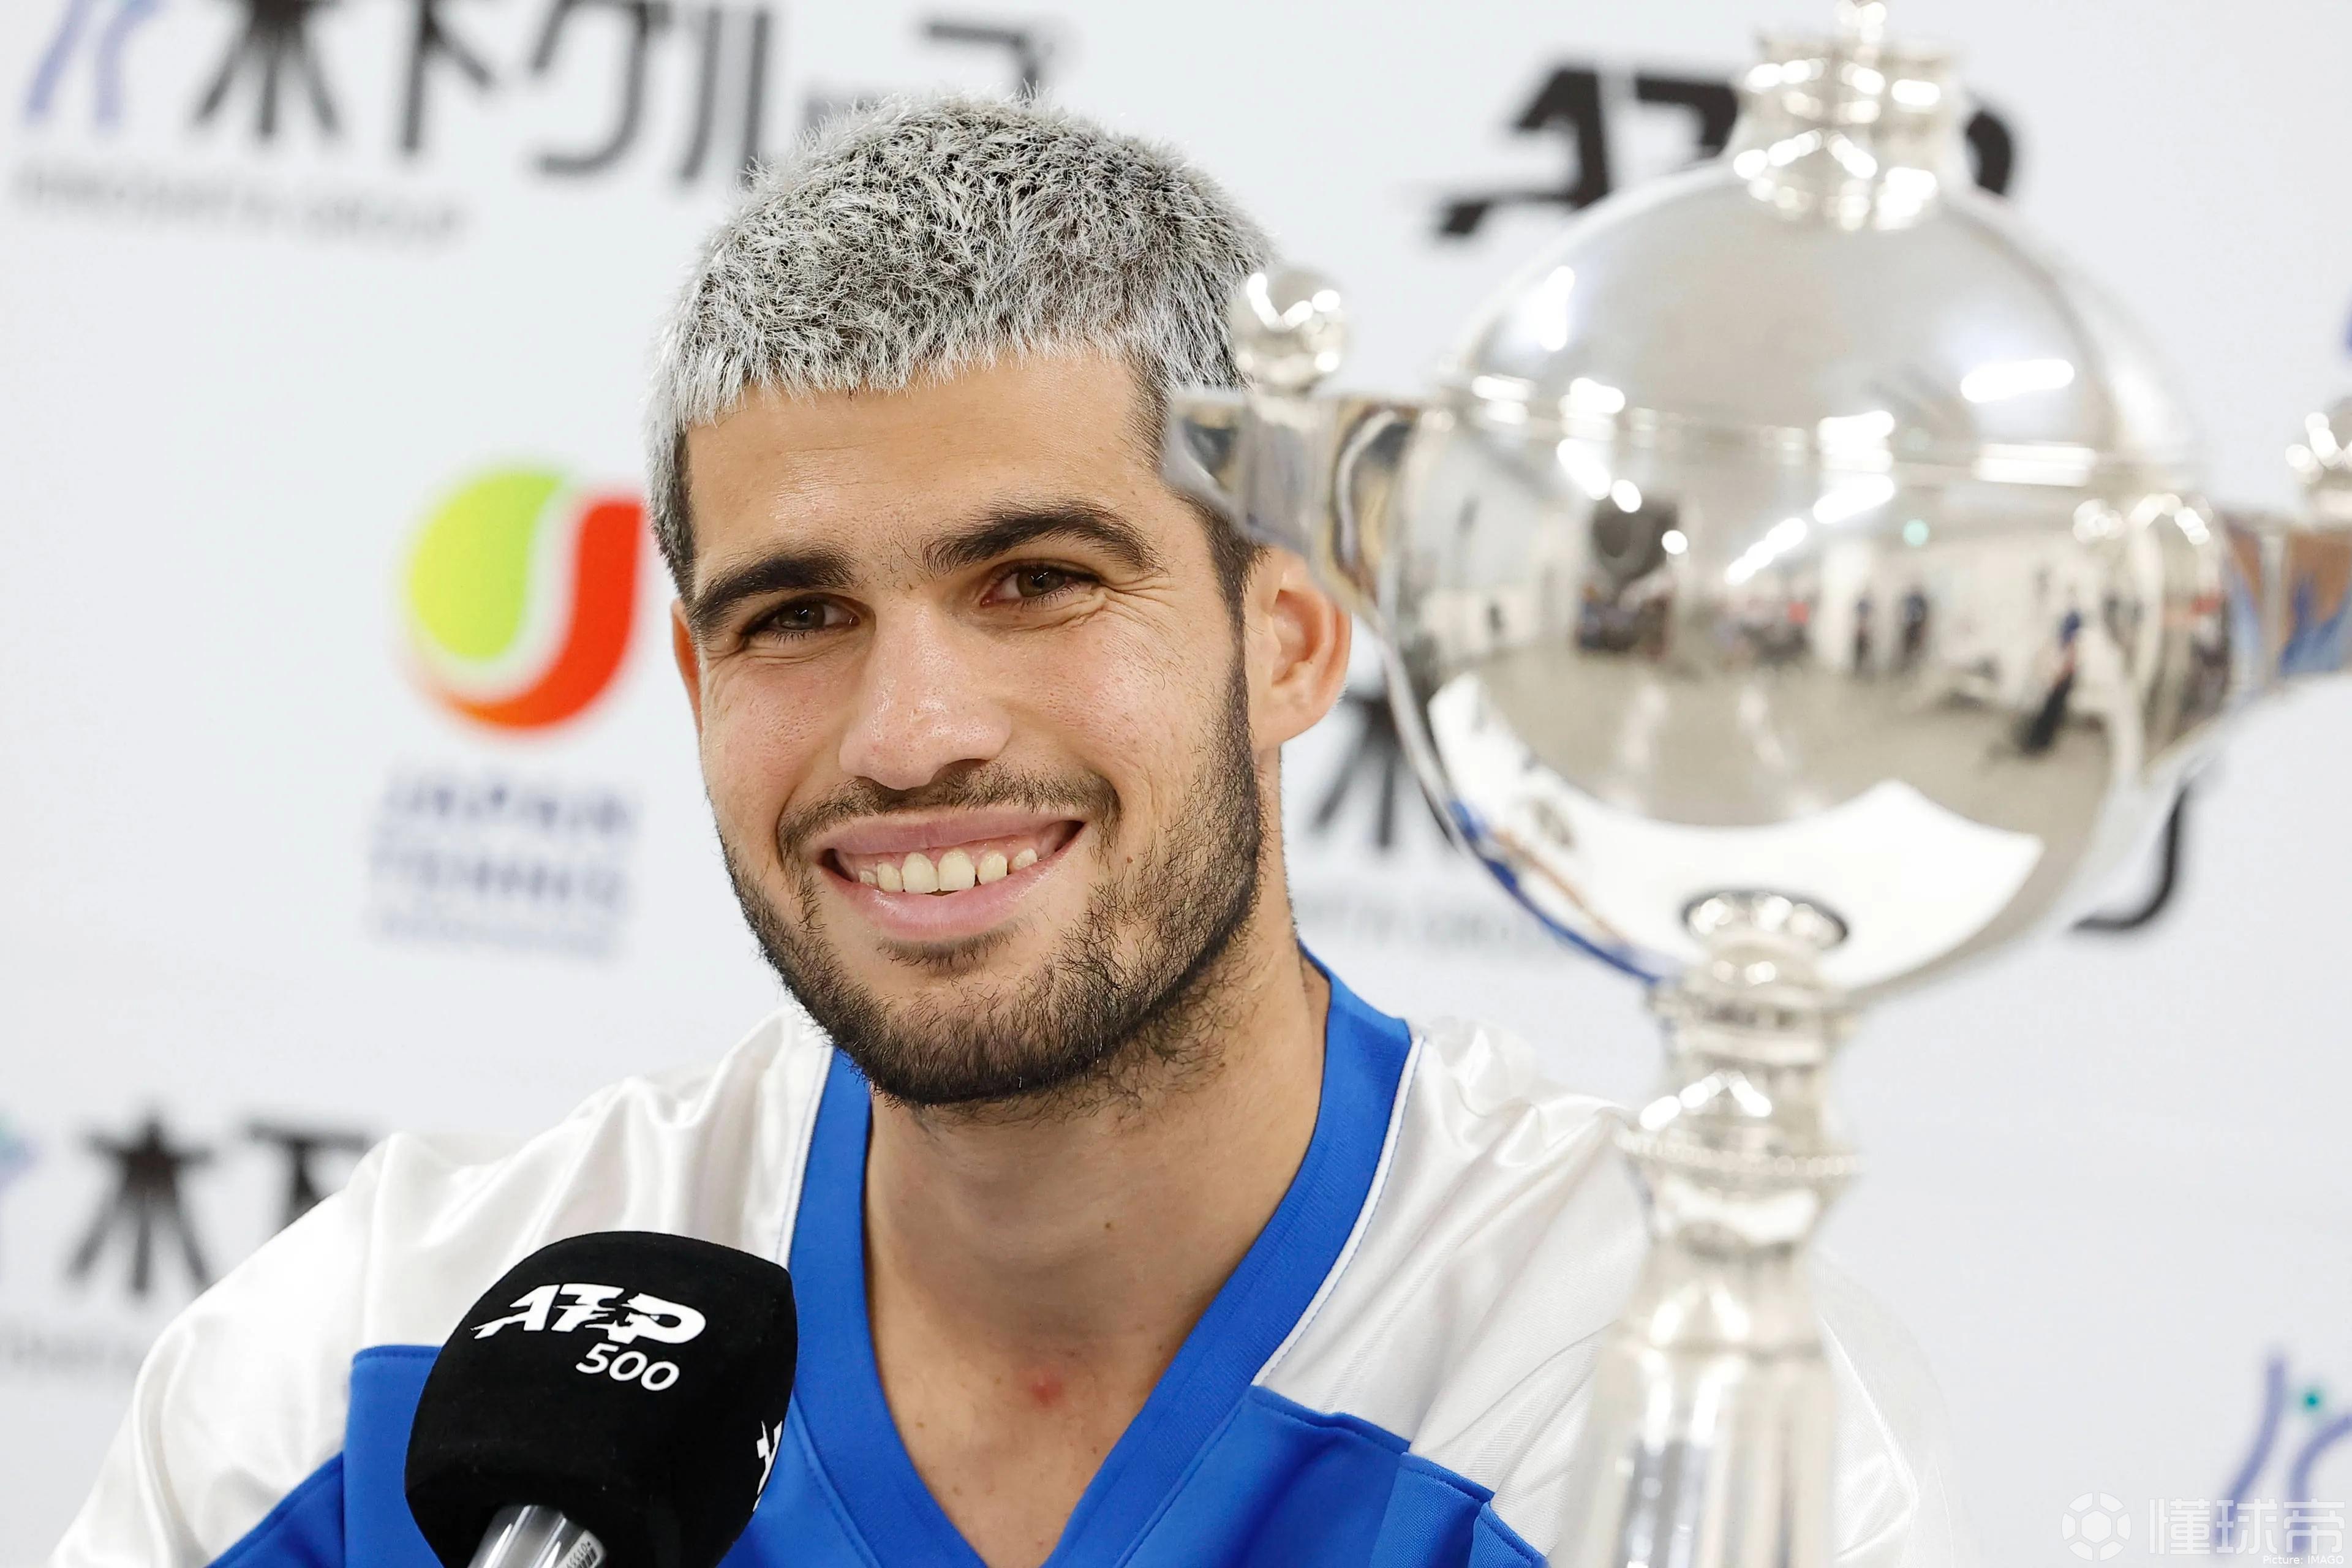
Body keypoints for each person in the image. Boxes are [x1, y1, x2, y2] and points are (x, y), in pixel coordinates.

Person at [49, 97, 1961, 1568]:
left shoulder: (1644, 1407)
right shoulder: (393, 1355)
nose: (910, 735)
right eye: (797, 615)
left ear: (1292, 633)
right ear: (698, 682)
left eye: (1037, 580)